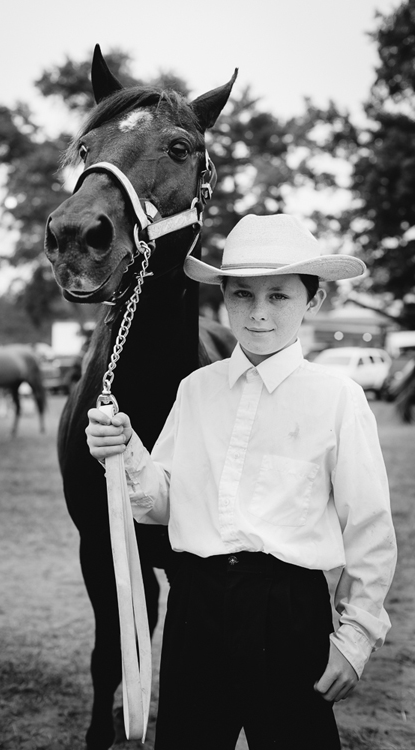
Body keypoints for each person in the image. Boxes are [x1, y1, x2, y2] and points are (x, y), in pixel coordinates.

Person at [86, 214, 397, 750]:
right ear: (222, 299)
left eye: (279, 296)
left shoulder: (337, 399)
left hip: (288, 612)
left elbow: (368, 528)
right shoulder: (197, 390)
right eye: (241, 295)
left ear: (313, 302)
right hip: (196, 605)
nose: (257, 314)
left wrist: (355, 637)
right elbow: (162, 505)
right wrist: (126, 451)